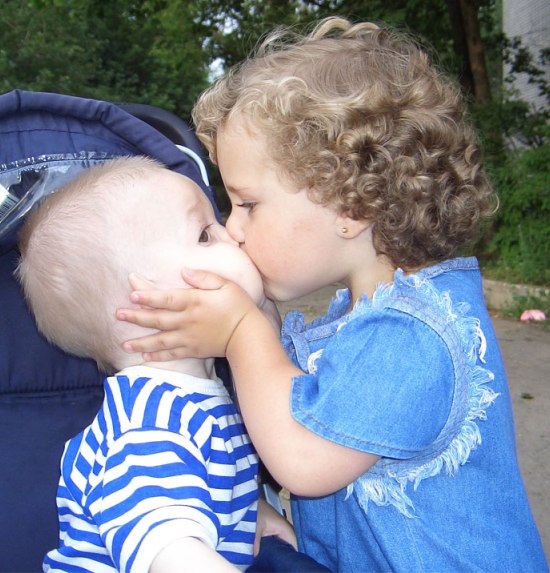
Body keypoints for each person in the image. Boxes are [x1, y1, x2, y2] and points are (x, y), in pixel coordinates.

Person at [116, 18, 548, 573]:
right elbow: (286, 398)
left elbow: (301, 460)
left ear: (350, 207)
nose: (233, 227)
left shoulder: (410, 336)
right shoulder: (369, 311)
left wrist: (243, 335)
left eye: (248, 204)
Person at [16, 156, 301, 573]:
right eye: (206, 234)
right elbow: (173, 558)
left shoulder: (197, 397)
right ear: (147, 305)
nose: (233, 234)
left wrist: (249, 510)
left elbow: (196, 486)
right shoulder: (145, 431)